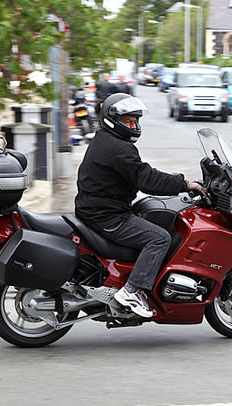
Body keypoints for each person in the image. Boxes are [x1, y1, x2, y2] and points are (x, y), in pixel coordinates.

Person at [75, 93, 205, 318]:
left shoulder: (105, 139)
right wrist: (185, 184)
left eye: (135, 121)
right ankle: (131, 291)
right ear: (112, 119)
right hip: (107, 216)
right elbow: (147, 179)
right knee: (160, 238)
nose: (133, 125)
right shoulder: (119, 148)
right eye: (128, 121)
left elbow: (139, 172)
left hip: (96, 208)